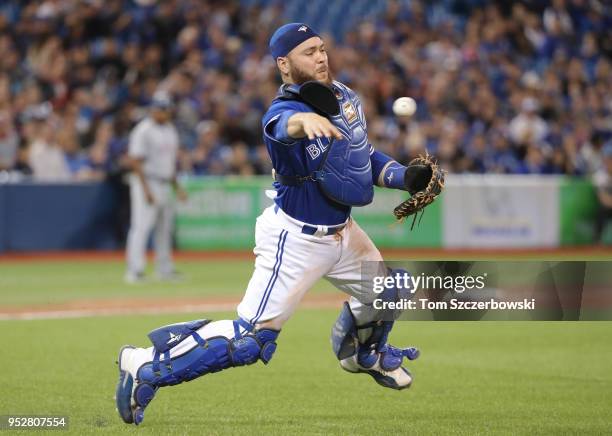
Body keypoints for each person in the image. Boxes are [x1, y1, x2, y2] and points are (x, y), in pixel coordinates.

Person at [115, 23, 433, 425]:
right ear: (284, 64)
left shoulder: (344, 98)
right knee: (251, 341)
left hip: (344, 235)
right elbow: (280, 129)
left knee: (393, 290)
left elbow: (362, 157)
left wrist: (404, 177)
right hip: (296, 239)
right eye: (308, 52)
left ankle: (362, 353)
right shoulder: (284, 110)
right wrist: (303, 123)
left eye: (321, 48)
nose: (320, 57)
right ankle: (142, 365)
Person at [124, 92, 187, 283]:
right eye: (161, 109)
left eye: (166, 109)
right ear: (153, 109)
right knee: (141, 227)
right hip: (147, 181)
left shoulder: (170, 129)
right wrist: (146, 190)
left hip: (165, 182)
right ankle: (135, 270)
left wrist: (177, 187)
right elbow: (135, 161)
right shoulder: (143, 130)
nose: (164, 112)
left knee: (164, 228)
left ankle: (164, 268)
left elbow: (170, 163)